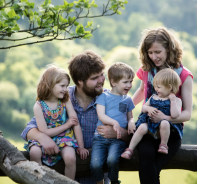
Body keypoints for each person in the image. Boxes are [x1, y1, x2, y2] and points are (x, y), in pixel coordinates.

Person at [21, 51, 130, 184]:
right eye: (95, 78)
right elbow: (30, 129)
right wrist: (43, 137)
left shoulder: (112, 99)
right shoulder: (61, 96)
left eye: (102, 75)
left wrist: (120, 133)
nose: (102, 80)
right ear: (80, 81)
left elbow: (132, 134)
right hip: (62, 177)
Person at [131, 27, 193, 184]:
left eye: (157, 52)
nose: (153, 56)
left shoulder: (184, 75)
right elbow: (141, 91)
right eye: (150, 52)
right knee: (145, 159)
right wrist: (127, 112)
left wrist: (165, 118)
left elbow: (187, 114)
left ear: (169, 49)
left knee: (155, 167)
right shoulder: (147, 70)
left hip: (170, 131)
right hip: (148, 128)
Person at [23, 65, 89, 180]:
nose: (65, 89)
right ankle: (39, 181)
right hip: (46, 136)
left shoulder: (65, 101)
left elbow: (75, 123)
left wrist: (81, 147)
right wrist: (66, 125)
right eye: (62, 86)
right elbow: (44, 132)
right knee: (34, 152)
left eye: (67, 86)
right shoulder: (38, 106)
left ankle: (68, 183)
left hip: (64, 137)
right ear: (50, 84)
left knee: (70, 157)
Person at [121, 68, 182, 159]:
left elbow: (175, 115)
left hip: (164, 126)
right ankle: (130, 149)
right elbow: (143, 107)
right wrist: (148, 109)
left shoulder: (176, 100)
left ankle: (163, 145)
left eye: (159, 87)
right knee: (141, 127)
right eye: (155, 86)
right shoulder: (153, 97)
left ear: (169, 87)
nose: (156, 89)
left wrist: (172, 101)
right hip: (150, 123)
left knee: (165, 123)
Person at [90, 62, 135, 184]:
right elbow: (101, 115)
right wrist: (114, 122)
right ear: (114, 82)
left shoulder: (128, 99)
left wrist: (131, 122)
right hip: (100, 138)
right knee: (95, 163)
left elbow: (130, 116)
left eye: (131, 81)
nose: (129, 85)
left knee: (112, 160)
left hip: (118, 139)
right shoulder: (103, 97)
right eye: (125, 82)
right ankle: (99, 181)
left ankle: (114, 181)